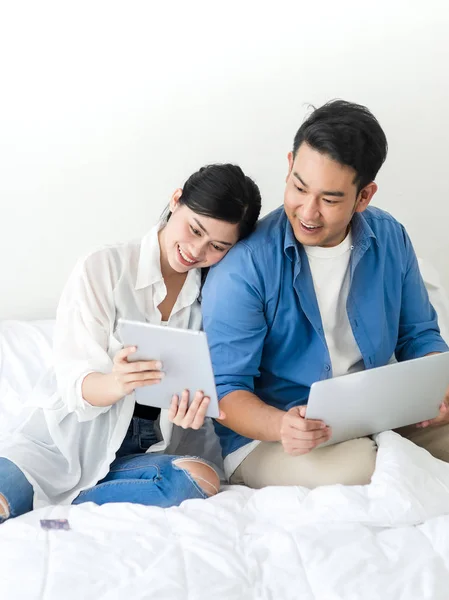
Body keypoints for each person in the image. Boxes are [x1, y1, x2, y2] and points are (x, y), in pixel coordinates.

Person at [201, 100, 449, 489]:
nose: (308, 212)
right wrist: (281, 424)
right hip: (273, 434)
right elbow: (225, 391)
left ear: (364, 196)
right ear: (289, 164)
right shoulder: (245, 265)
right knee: (363, 471)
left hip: (376, 416)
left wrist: (439, 389)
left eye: (330, 200)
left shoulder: (390, 237)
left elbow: (419, 335)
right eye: (299, 187)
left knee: (391, 457)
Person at [0, 163, 261, 523]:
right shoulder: (104, 267)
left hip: (139, 453)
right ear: (176, 201)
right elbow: (76, 385)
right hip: (62, 448)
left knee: (201, 478)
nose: (196, 251)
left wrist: (190, 414)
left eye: (217, 246)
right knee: (5, 494)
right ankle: (49, 496)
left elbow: (197, 400)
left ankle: (82, 501)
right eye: (194, 229)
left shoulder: (211, 297)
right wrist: (116, 382)